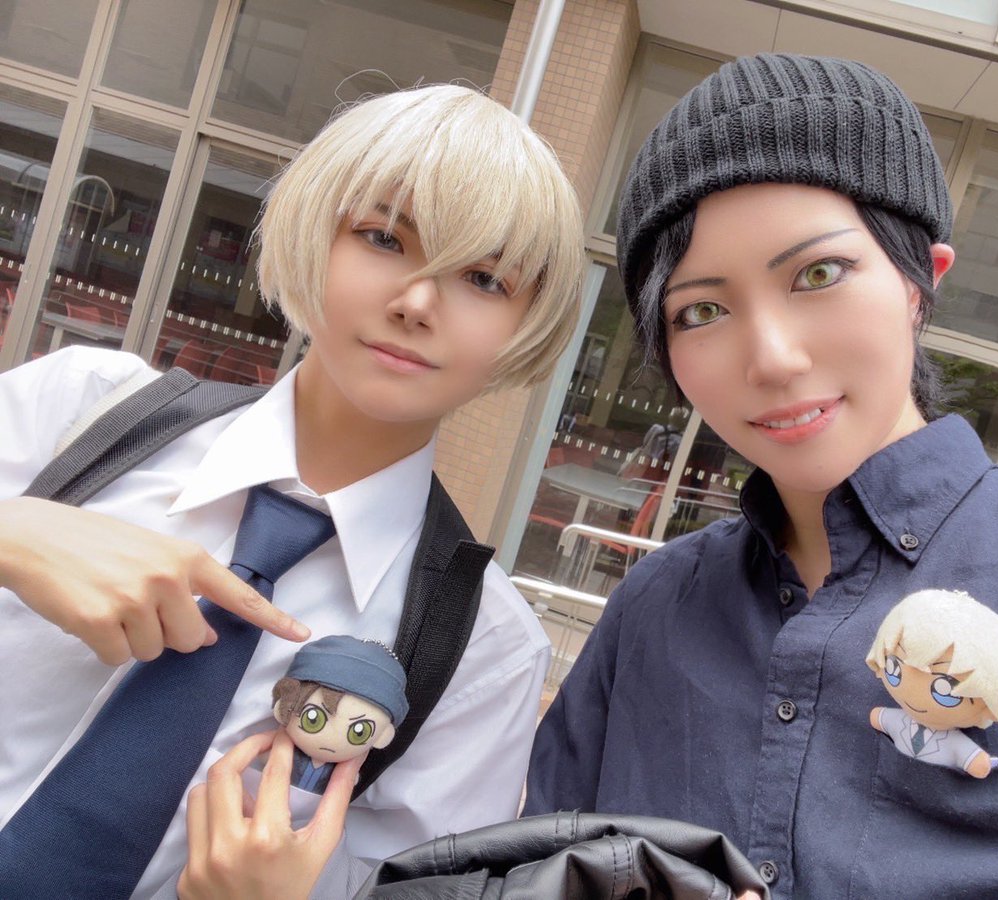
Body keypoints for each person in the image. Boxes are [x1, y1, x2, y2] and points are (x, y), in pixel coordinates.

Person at [522, 53, 998, 899]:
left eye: (818, 274)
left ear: (921, 282)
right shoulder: (651, 613)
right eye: (702, 310)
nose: (773, 358)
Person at [0, 83, 584, 898]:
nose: (417, 302)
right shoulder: (79, 410)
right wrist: (14, 532)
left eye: (484, 279)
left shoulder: (484, 647)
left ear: (528, 323)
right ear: (316, 232)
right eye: (384, 237)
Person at [866, 587, 998, 778]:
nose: (916, 697)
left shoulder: (954, 742)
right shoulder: (899, 721)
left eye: (945, 692)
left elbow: (975, 761)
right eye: (893, 668)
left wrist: (975, 760)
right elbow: (880, 717)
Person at [272, 635, 410, 793]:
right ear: (284, 707)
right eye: (313, 720)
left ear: (383, 736)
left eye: (359, 733)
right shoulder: (285, 752)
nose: (328, 738)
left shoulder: (342, 773)